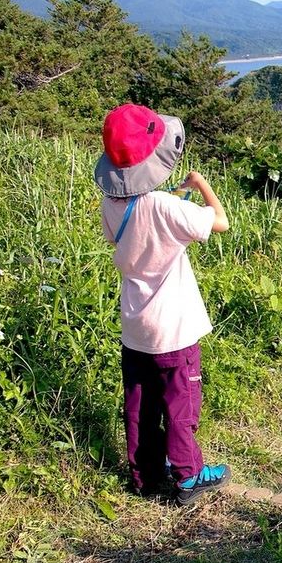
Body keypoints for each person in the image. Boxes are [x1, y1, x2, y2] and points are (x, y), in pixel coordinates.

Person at [94, 103, 232, 506]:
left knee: (139, 404)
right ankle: (189, 476)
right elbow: (219, 221)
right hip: (172, 329)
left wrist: (175, 196)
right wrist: (201, 184)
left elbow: (139, 215)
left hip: (135, 326)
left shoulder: (112, 204)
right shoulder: (167, 208)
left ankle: (145, 475)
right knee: (179, 405)